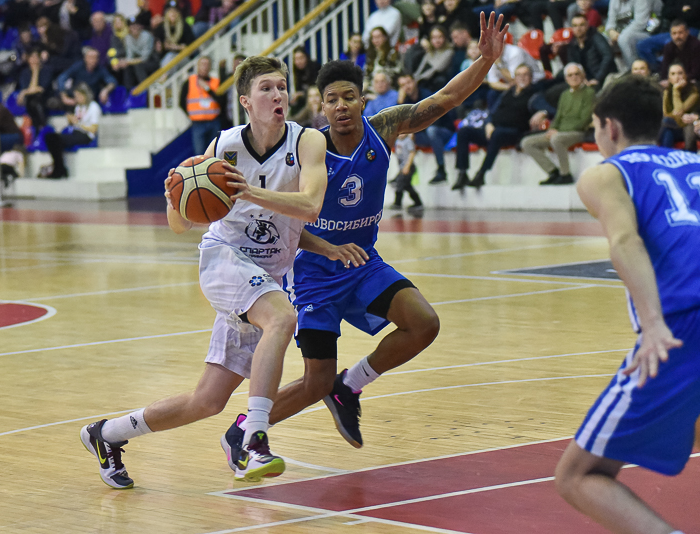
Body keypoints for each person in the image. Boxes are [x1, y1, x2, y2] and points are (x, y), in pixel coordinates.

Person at [218, 12, 509, 454]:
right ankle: (242, 431)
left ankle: (350, 384)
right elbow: (279, 212)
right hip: (313, 271)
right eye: (331, 99)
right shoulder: (307, 149)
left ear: (362, 101)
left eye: (349, 97)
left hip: (362, 263)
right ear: (321, 107)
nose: (340, 106)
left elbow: (446, 99)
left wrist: (485, 61)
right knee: (314, 381)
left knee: (424, 324)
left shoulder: (384, 128)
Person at [79, 55, 329, 487]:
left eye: (282, 87)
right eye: (266, 88)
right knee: (281, 317)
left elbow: (309, 206)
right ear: (245, 101)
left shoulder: (307, 141)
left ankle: (106, 434)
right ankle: (254, 440)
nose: (278, 95)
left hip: (266, 276)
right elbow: (181, 225)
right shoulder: (224, 147)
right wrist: (174, 197)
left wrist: (251, 194)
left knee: (207, 400)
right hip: (224, 259)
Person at [554, 74, 700, 534]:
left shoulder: (606, 173)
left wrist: (653, 322)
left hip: (683, 324)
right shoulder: (694, 163)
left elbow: (624, 240)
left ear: (609, 127)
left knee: (577, 476)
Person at [453, 63, 536, 190]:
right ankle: (462, 173)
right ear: (515, 78)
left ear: (531, 77)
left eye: (525, 75)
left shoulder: (534, 95)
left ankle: (481, 174)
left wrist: (543, 112)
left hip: (515, 132)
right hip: (494, 129)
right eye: (519, 75)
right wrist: (489, 123)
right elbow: (492, 112)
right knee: (464, 131)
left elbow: (545, 107)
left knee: (497, 134)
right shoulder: (507, 93)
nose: (522, 78)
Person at [522, 63, 595, 185]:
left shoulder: (589, 93)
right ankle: (553, 172)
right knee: (527, 143)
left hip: (579, 132)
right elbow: (558, 116)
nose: (574, 77)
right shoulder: (565, 94)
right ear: (566, 78)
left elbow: (584, 120)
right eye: (570, 75)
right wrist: (552, 128)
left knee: (557, 139)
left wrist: (558, 131)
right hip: (561, 132)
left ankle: (565, 174)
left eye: (576, 74)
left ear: (583, 75)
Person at [42, 83, 100, 178]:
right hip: (75, 132)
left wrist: (78, 124)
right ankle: (59, 167)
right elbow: (76, 123)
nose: (76, 99)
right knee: (50, 137)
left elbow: (93, 129)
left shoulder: (93, 107)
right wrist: (71, 120)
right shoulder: (78, 107)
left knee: (55, 139)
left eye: (78, 96)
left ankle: (59, 169)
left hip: (86, 135)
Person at [180, 55, 224, 156]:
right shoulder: (189, 81)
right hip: (198, 123)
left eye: (207, 64)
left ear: (210, 67)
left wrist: (208, 89)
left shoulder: (216, 82)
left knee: (215, 153)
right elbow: (181, 102)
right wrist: (191, 114)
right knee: (199, 154)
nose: (205, 67)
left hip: (214, 122)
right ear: (198, 66)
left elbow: (221, 101)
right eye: (202, 64)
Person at [605, 0, 661, 69]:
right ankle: (619, 70)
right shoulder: (614, 1)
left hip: (648, 31)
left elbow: (640, 23)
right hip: (625, 31)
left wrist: (620, 35)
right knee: (604, 39)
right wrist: (611, 31)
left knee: (624, 39)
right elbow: (610, 22)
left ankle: (633, 69)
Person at [658, 62, 699, 150]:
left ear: (685, 75)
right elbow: (666, 113)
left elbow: (679, 111)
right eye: (673, 74)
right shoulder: (666, 92)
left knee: (666, 123)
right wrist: (675, 115)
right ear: (669, 78)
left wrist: (676, 91)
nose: (677, 77)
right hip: (673, 126)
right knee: (668, 132)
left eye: (680, 73)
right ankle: (666, 155)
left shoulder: (693, 92)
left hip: (690, 127)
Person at [17, 48, 55, 130]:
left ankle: (40, 126)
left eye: (36, 57)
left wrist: (36, 71)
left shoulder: (47, 70)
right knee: (32, 101)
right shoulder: (24, 73)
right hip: (31, 100)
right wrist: (27, 91)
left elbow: (40, 89)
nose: (34, 60)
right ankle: (39, 126)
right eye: (32, 57)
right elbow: (29, 89)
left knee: (35, 100)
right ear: (28, 59)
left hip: (45, 97)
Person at [656, 20, 700, 85]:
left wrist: (680, 80)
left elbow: (696, 72)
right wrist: (664, 80)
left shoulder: (696, 45)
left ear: (687, 32)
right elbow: (665, 68)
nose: (677, 36)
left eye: (680, 33)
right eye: (674, 33)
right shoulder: (669, 47)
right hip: (678, 79)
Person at [389, 132, 423, 211]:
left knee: (401, 184)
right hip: (402, 167)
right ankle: (418, 203)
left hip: (408, 167)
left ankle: (398, 203)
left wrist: (407, 166)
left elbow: (412, 153)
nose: (401, 135)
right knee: (406, 185)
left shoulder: (408, 141)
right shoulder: (397, 141)